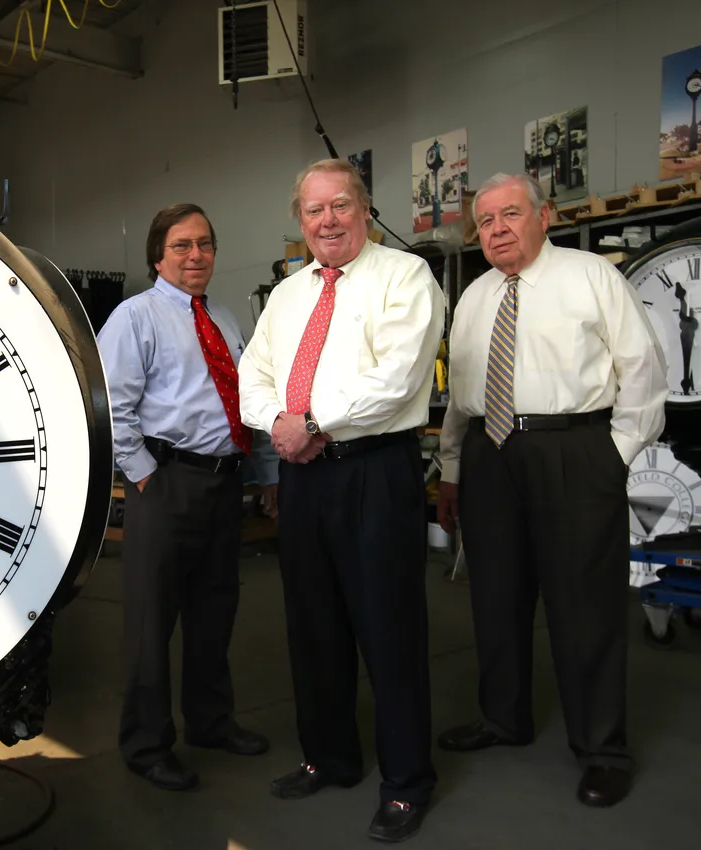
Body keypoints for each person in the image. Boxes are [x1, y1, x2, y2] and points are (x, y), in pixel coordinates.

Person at [435, 173, 668, 808]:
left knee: (584, 605)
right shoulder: (477, 295)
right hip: (489, 455)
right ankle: (503, 718)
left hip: (574, 448)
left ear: (546, 217)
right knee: (496, 596)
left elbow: (642, 370)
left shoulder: (594, 277)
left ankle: (601, 749)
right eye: (485, 221)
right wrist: (453, 470)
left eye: (510, 214)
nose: (498, 229)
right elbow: (461, 396)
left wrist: (611, 457)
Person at [239, 159, 444, 843]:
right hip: (304, 476)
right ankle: (329, 758)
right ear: (300, 220)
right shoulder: (289, 294)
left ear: (364, 208)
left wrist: (312, 422)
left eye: (341, 206)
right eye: (313, 210)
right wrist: (277, 424)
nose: (327, 220)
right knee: (313, 626)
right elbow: (254, 374)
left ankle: (407, 783)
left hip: (373, 471)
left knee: (389, 631)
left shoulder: (405, 276)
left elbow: (398, 375)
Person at [98, 202, 275, 793]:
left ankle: (211, 721)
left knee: (214, 612)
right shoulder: (135, 317)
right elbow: (112, 406)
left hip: (225, 482)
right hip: (167, 483)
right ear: (158, 255)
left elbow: (248, 400)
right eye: (182, 246)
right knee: (152, 623)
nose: (196, 256)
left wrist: (265, 472)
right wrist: (145, 475)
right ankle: (146, 745)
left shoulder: (222, 318)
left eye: (204, 244)